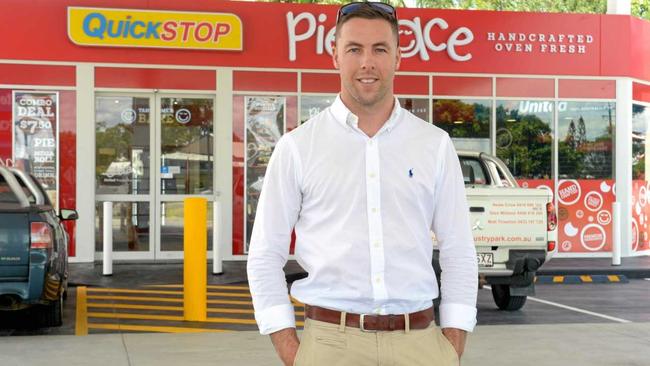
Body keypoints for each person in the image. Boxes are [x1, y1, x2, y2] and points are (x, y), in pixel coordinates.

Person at [247, 2, 478, 365]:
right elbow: (264, 255)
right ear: (335, 56)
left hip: (420, 344)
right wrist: (293, 353)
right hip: (328, 345)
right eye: (354, 49)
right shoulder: (298, 148)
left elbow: (459, 250)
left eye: (380, 49)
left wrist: (452, 345)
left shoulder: (434, 145)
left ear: (399, 57)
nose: (367, 62)